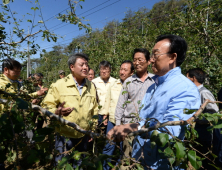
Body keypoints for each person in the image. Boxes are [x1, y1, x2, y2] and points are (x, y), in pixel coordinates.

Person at [107, 34, 201, 169]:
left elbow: (171, 132)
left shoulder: (185, 89)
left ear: (172, 57)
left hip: (161, 164)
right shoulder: (153, 86)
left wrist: (133, 127)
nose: (151, 60)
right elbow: (144, 121)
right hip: (141, 159)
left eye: (155, 55)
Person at [41, 53, 98, 168]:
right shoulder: (59, 85)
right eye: (82, 64)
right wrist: (57, 111)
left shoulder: (91, 86)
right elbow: (45, 105)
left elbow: (95, 109)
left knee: (80, 164)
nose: (85, 67)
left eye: (86, 64)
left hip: (83, 135)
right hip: (64, 136)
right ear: (72, 67)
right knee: (62, 164)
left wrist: (92, 128)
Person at [115, 48, 154, 164]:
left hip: (149, 128)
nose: (136, 63)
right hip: (129, 129)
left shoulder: (155, 81)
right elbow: (120, 105)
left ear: (148, 61)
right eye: (135, 60)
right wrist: (118, 127)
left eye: (140, 60)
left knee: (147, 160)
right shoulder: (128, 82)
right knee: (128, 161)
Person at [100, 60, 134, 170]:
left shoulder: (134, 85)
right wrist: (105, 115)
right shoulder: (114, 84)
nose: (122, 72)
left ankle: (119, 167)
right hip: (113, 120)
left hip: (128, 123)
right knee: (109, 146)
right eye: (121, 69)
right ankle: (105, 167)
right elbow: (108, 100)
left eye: (125, 70)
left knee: (124, 148)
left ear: (131, 73)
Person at [186, 68, 219, 169]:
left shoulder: (204, 93)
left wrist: (197, 119)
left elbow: (214, 113)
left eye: (187, 77)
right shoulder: (195, 91)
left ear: (193, 78)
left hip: (205, 131)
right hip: (198, 130)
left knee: (204, 158)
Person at [92, 61, 116, 125]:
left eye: (106, 69)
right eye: (102, 69)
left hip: (110, 114)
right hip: (97, 113)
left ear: (110, 70)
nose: (103, 71)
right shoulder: (94, 82)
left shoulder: (115, 82)